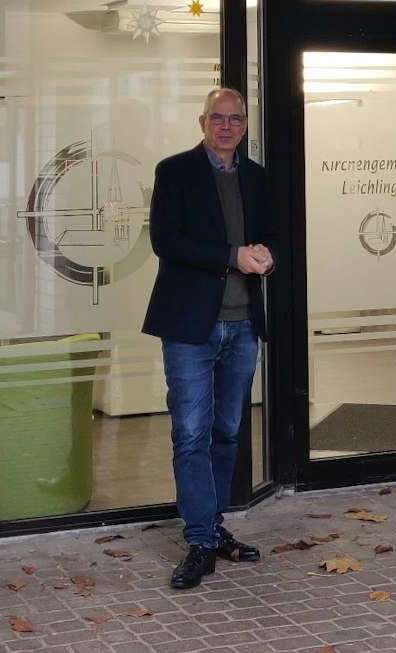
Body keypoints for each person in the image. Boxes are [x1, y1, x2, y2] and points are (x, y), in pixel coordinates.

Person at [142, 88, 278, 590]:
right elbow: (166, 241)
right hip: (190, 327)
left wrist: (268, 256)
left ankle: (212, 526)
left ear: (244, 125)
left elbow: (273, 234)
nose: (226, 126)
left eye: (235, 119)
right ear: (202, 121)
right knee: (192, 433)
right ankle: (200, 540)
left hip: (244, 326)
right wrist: (231, 256)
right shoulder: (173, 171)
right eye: (217, 118)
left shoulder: (257, 177)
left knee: (226, 431)